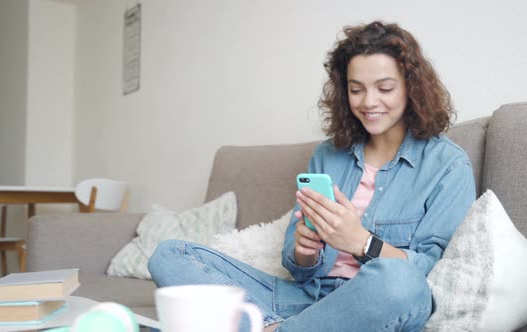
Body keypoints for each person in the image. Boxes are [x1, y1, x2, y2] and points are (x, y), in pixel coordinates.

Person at [148, 21, 476, 331]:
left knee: (398, 281)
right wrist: (304, 253)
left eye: (385, 88)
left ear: (411, 88)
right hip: (304, 299)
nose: (369, 101)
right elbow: (296, 262)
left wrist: (361, 242)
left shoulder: (447, 165)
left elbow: (431, 272)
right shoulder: (328, 154)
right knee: (170, 255)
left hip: (374, 302)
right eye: (356, 89)